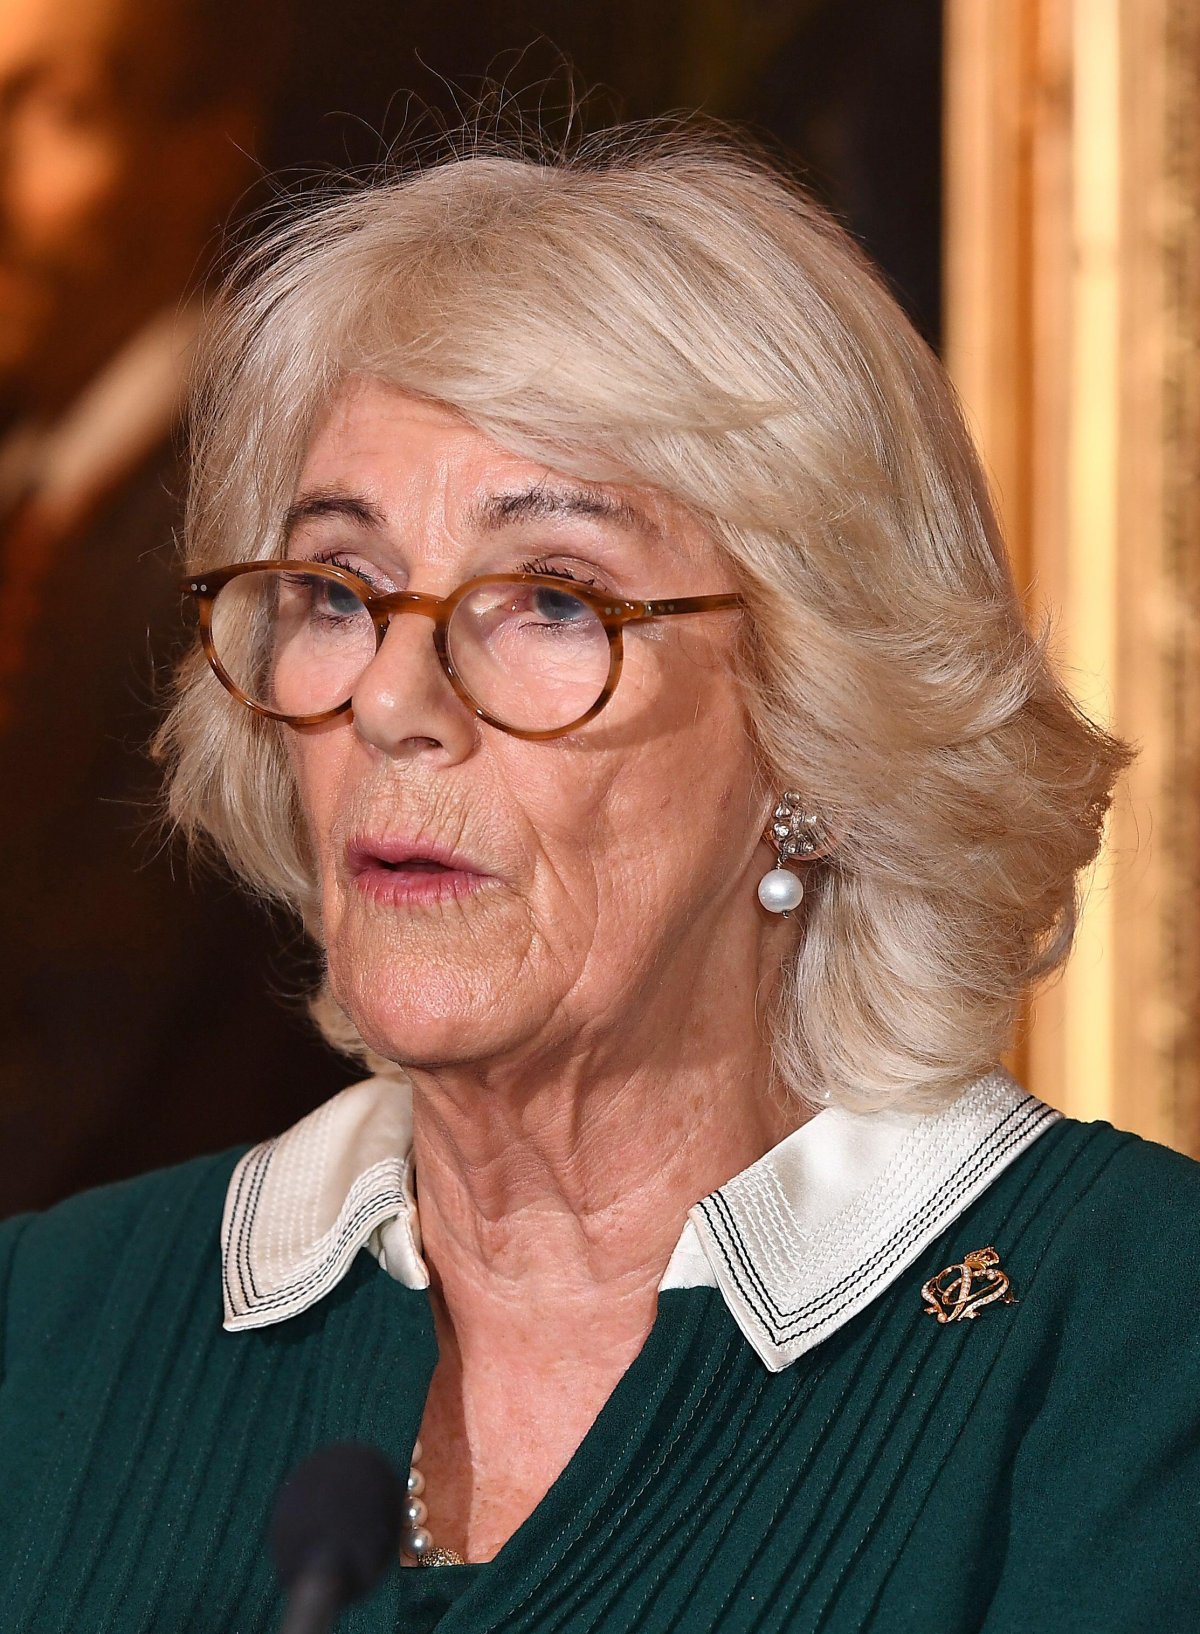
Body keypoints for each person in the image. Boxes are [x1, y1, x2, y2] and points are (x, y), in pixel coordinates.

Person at [2, 128, 1197, 1634]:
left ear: (816, 723)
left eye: (551, 598)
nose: (391, 698)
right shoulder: (43, 1335)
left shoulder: (1130, 1345)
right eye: (334, 591)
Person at [0, 0, 349, 1213]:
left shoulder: (250, 542)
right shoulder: (41, 503)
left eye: (59, 111)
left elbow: (102, 1084)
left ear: (206, 146)